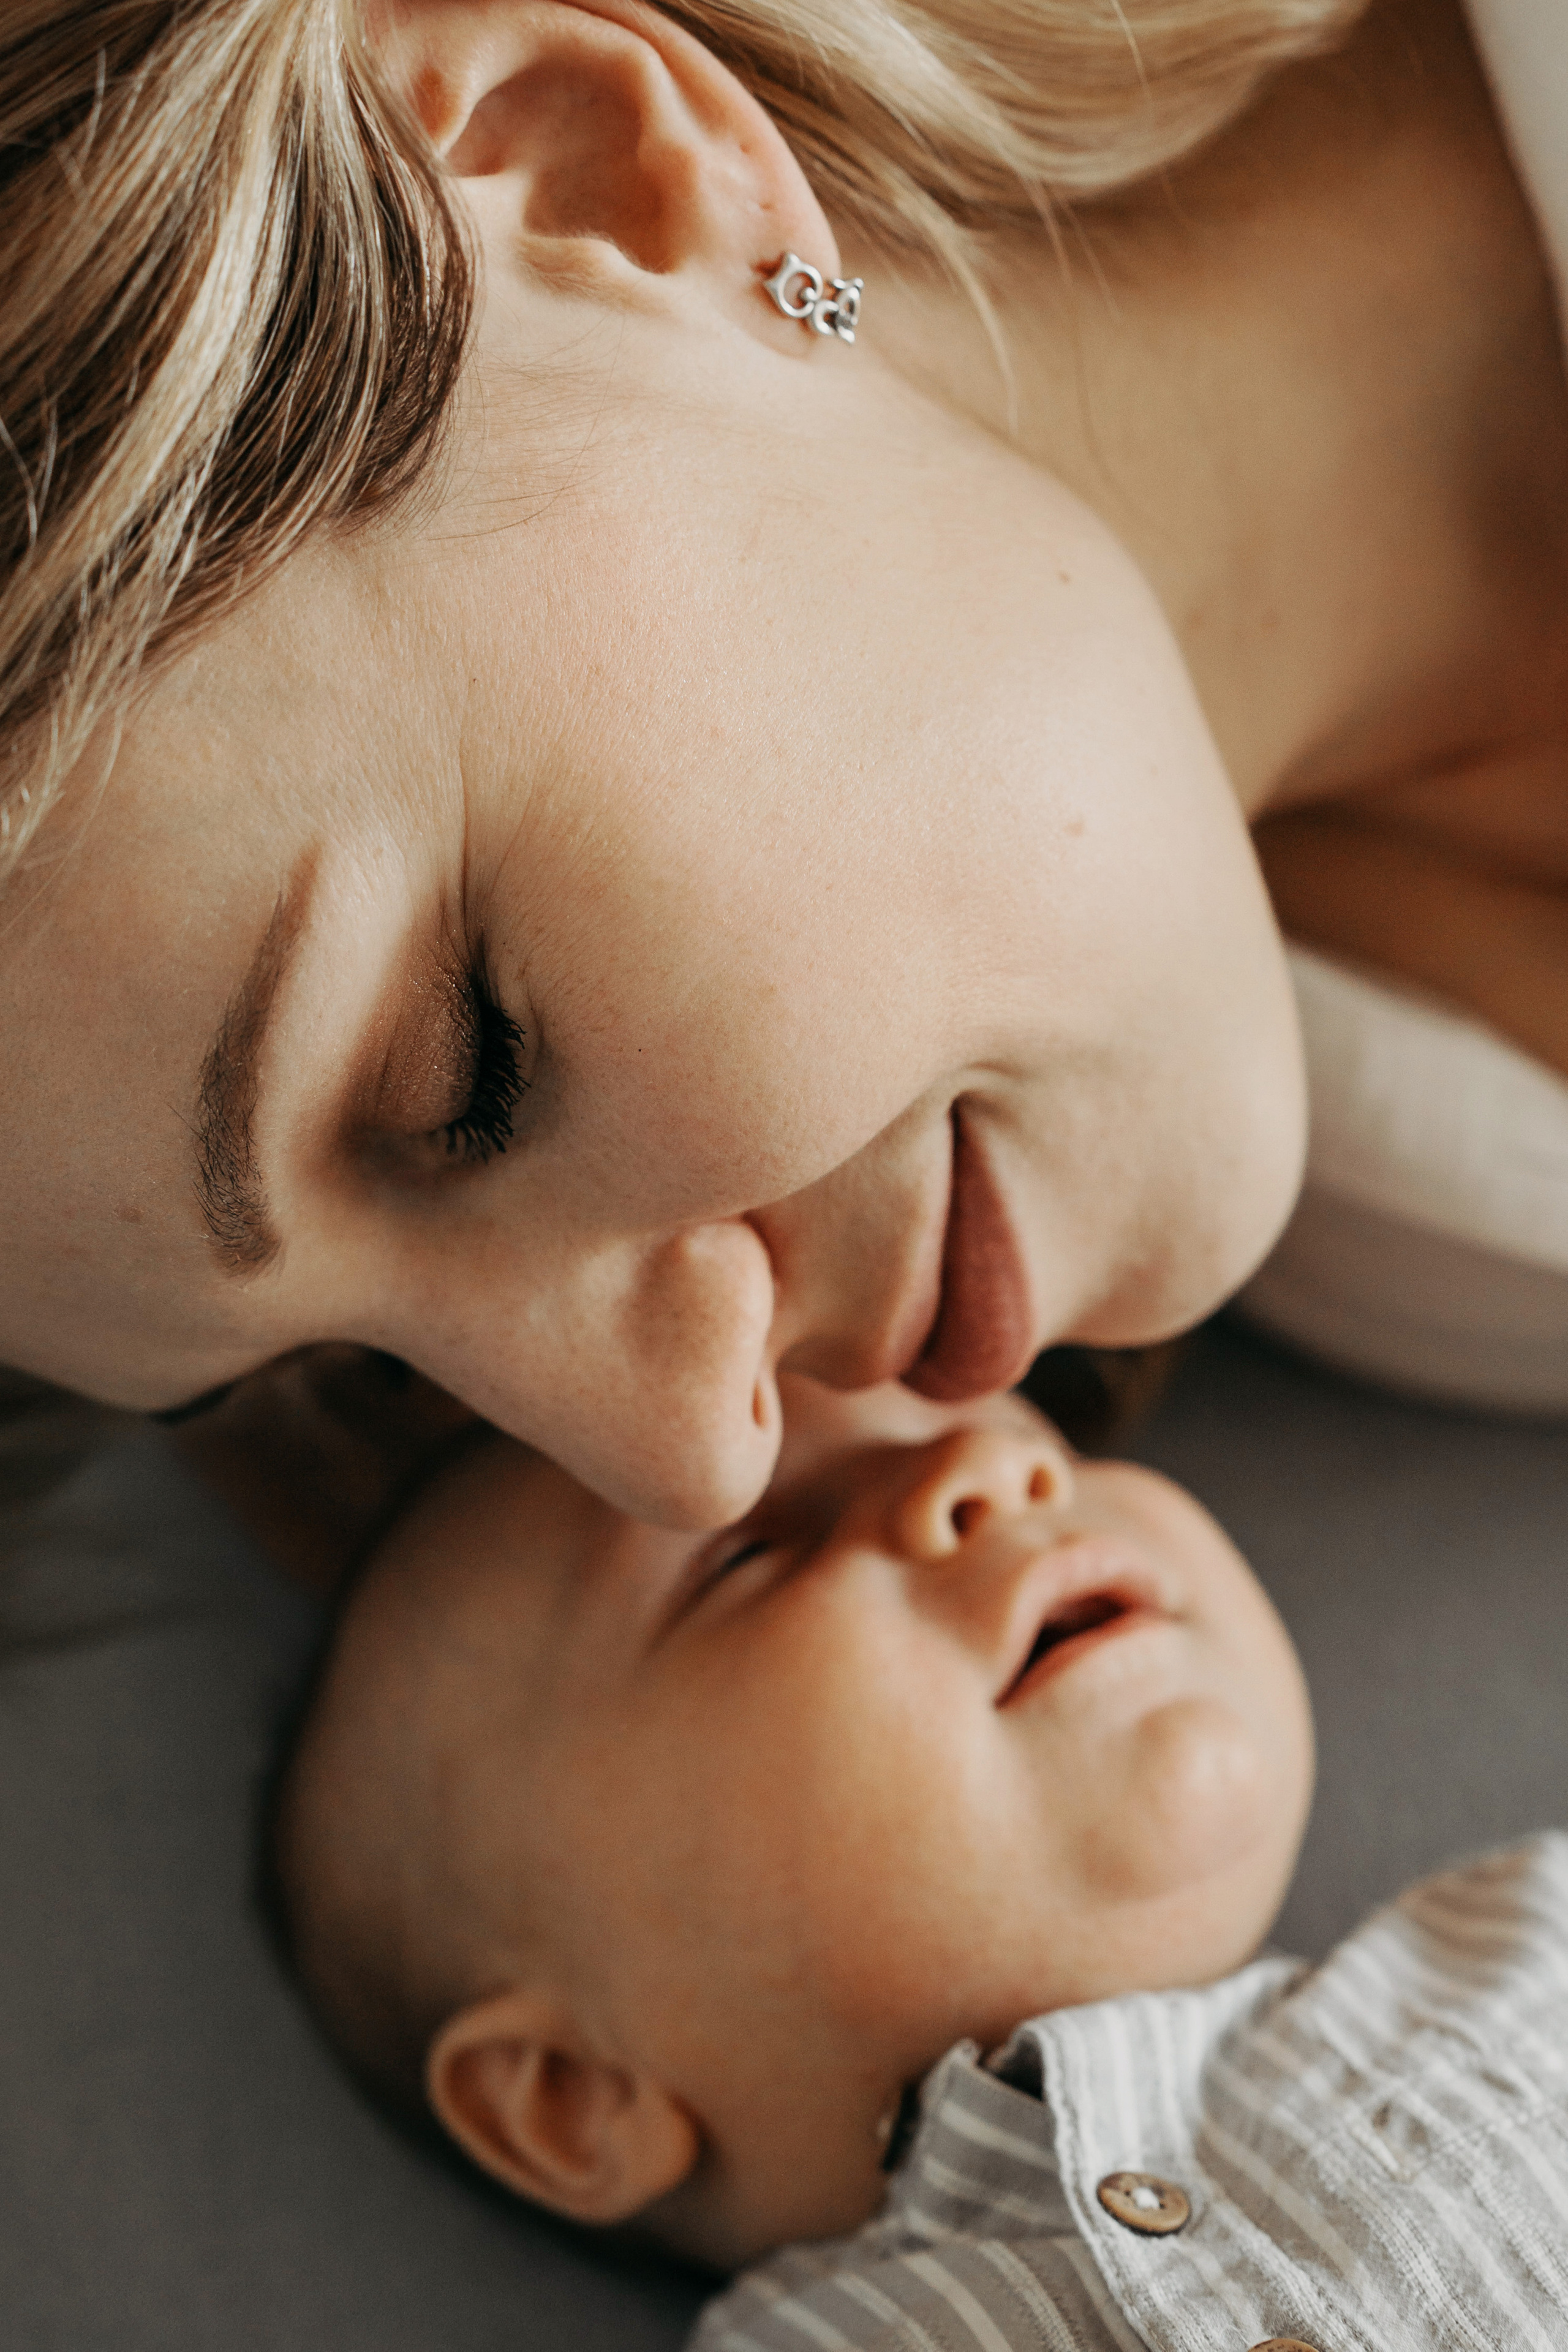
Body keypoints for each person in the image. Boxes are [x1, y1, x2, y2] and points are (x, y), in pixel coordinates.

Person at [7, 0, 1568, 1523]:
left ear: (595, 177)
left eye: (468, 1069)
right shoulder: (1403, 1262)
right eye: (365, 1361)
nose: (697, 1460)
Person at [272, 1381, 1568, 2344]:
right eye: (754, 1550)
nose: (986, 1458)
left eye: (1024, 1419)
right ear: (572, 2095)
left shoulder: (1524, 1943)